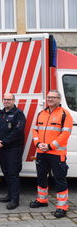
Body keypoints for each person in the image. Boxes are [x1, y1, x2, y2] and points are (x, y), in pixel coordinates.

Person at [30, 90, 73, 218]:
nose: (50, 99)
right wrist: (38, 144)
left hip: (56, 153)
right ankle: (42, 200)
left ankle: (62, 207)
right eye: (48, 97)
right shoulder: (41, 113)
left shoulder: (65, 114)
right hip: (41, 152)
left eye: (53, 97)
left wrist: (50, 146)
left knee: (60, 179)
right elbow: (35, 130)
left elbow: (65, 134)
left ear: (59, 99)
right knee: (41, 177)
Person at [0, 93, 26, 210]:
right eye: (5, 99)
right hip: (2, 149)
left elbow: (18, 132)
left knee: (13, 174)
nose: (6, 101)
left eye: (9, 99)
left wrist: (3, 142)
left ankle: (15, 200)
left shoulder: (18, 114)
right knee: (6, 172)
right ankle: (10, 195)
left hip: (14, 149)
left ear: (13, 100)